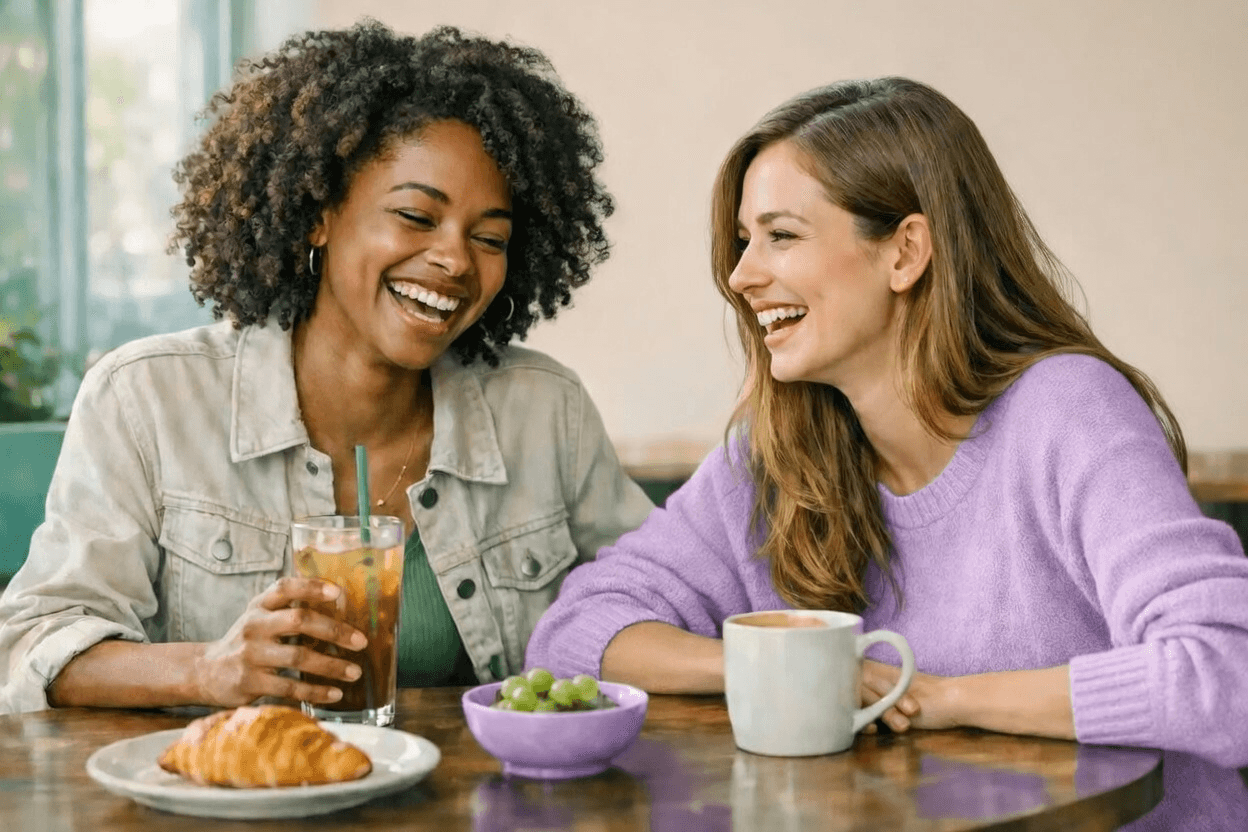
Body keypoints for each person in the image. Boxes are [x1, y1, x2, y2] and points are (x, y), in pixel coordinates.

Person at [526, 77, 1248, 830]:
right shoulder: (775, 459)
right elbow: (574, 636)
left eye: (781, 235)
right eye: (744, 240)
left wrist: (940, 697)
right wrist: (788, 668)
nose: (740, 276)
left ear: (905, 251)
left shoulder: (1067, 410)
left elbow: (1226, 673)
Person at [0, 21, 653, 714]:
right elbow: (32, 644)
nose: (456, 260)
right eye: (415, 216)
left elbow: (658, 589)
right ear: (320, 214)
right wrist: (207, 671)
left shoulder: (542, 409)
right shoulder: (148, 400)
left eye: (488, 237)